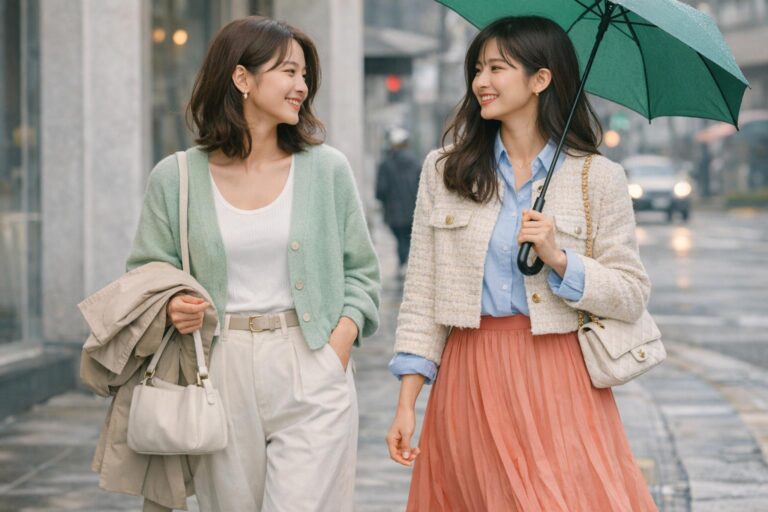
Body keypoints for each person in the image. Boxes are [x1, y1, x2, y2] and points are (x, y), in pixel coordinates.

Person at [385, 16, 658, 511]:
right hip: (469, 373)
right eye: (477, 69)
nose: (481, 82)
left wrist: (560, 259)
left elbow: (631, 292)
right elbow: (423, 293)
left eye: (497, 68)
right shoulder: (445, 170)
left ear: (541, 79)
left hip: (560, 376)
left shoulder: (596, 177)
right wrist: (407, 402)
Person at [126, 16, 380, 512]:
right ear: (242, 78)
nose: (301, 86)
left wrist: (337, 349)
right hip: (221, 367)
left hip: (310, 360)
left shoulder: (326, 169)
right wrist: (175, 305)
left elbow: (362, 274)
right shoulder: (175, 177)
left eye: (305, 74)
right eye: (288, 71)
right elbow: (147, 276)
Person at [375, 127, 421, 276]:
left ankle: (404, 263)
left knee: (400, 239)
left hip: (393, 212)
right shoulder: (415, 163)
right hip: (413, 210)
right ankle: (406, 263)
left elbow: (380, 191)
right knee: (408, 238)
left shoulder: (386, 165)